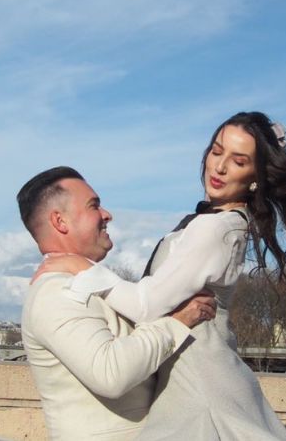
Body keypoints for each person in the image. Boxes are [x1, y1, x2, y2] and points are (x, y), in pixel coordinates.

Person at [36, 112, 286, 440]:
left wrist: (83, 268)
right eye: (216, 150)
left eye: (238, 161)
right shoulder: (224, 224)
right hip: (199, 381)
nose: (220, 167)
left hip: (198, 387)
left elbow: (146, 306)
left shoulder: (216, 229)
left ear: (255, 177)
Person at [18, 166, 217, 441]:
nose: (107, 214)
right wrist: (177, 322)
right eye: (93, 206)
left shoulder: (86, 283)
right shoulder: (57, 292)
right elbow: (111, 375)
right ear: (60, 222)